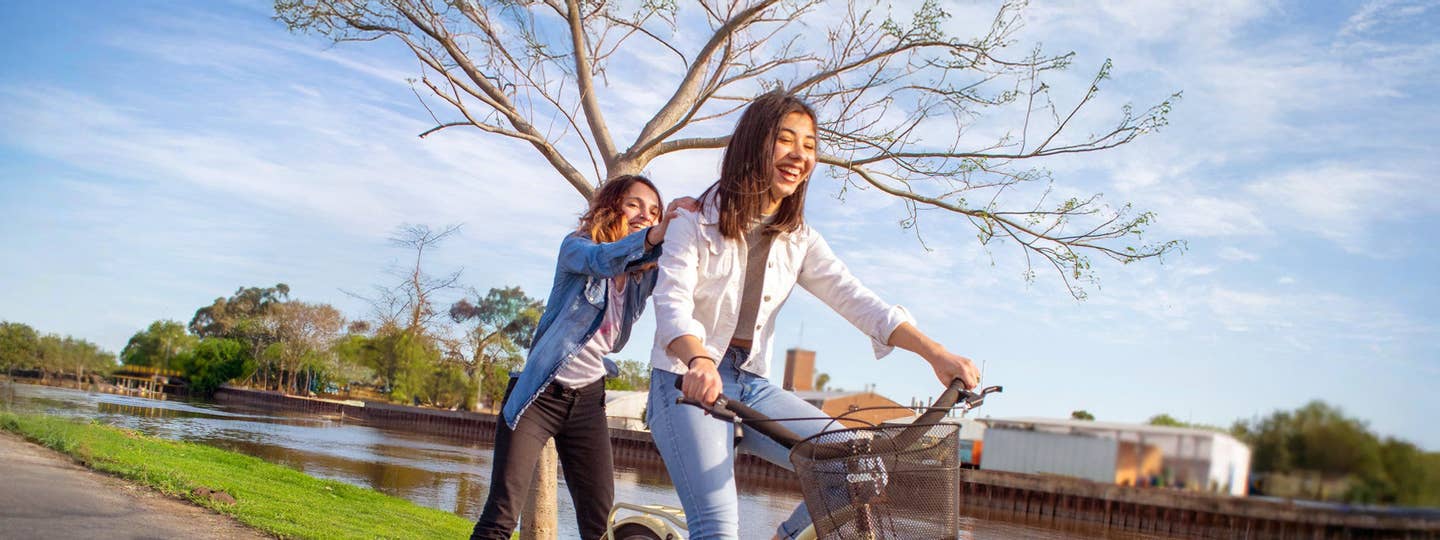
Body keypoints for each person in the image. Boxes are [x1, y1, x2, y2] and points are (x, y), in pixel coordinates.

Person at [647, 91, 983, 539]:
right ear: (753, 144)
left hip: (751, 384)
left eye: (808, 145)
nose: (799, 155)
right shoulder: (693, 221)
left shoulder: (799, 238)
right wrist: (699, 360)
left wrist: (936, 354)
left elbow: (857, 300)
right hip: (685, 383)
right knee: (718, 528)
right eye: (785, 140)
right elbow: (672, 303)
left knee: (861, 471)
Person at [471, 174, 691, 540]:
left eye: (654, 211)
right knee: (500, 518)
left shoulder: (640, 277)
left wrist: (694, 222)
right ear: (611, 207)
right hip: (539, 396)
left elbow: (681, 264)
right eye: (634, 204)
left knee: (600, 526)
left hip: (588, 401)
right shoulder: (577, 249)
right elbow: (604, 259)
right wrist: (654, 236)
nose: (645, 215)